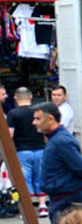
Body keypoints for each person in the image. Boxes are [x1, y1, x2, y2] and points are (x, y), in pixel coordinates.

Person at [34, 102, 82, 224]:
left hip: (67, 200)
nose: (34, 123)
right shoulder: (55, 140)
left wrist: (68, 186)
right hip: (60, 199)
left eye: (38, 119)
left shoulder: (62, 141)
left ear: (50, 118)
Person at [8, 87, 49, 216]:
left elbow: (10, 135)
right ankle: (43, 206)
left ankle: (28, 208)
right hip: (40, 149)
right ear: (31, 96)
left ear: (15, 98)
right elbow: (45, 132)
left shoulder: (12, 114)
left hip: (22, 150)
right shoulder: (39, 112)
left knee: (24, 180)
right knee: (40, 177)